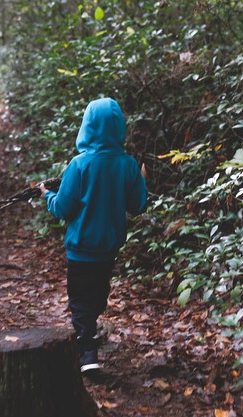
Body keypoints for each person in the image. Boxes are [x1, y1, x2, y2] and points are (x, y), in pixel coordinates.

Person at [39, 97, 147, 373]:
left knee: (80, 299)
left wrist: (47, 195)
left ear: (87, 125)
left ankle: (87, 350)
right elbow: (137, 206)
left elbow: (63, 208)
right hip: (108, 249)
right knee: (97, 296)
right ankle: (87, 343)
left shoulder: (79, 164)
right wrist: (142, 180)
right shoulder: (128, 165)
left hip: (81, 248)